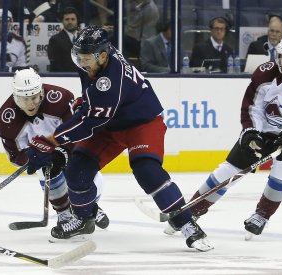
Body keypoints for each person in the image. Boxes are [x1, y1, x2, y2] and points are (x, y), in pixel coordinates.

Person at [23, 26, 213, 251]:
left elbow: (88, 122)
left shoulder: (110, 80)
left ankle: (187, 224)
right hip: (110, 122)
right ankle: (84, 219)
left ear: (103, 56)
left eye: (85, 59)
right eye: (79, 57)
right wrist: (87, 101)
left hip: (142, 122)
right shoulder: (96, 57)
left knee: (147, 170)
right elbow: (93, 105)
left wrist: (51, 142)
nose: (81, 63)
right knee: (77, 169)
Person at [184, 33, 282, 238]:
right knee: (230, 169)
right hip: (266, 131)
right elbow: (252, 107)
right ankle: (192, 211)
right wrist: (252, 131)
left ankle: (262, 215)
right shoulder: (265, 73)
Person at [0, 68, 110, 233]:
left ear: (41, 92)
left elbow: (80, 133)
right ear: (15, 96)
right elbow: (14, 156)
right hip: (43, 156)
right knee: (46, 169)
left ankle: (88, 206)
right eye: (24, 99)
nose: (31, 104)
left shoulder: (61, 99)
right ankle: (64, 214)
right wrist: (31, 157)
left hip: (70, 148)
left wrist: (62, 152)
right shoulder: (7, 119)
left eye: (34, 97)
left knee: (88, 174)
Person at [47, 7, 79, 72]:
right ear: (62, 21)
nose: (70, 22)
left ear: (77, 21)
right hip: (63, 78)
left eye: (73, 19)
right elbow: (55, 64)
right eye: (67, 19)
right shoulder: (55, 40)